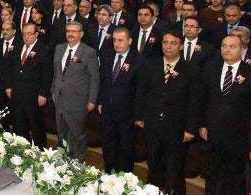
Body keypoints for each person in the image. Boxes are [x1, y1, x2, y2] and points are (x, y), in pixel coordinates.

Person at [135, 30, 200, 194]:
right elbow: (141, 92)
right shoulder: (151, 65)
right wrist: (139, 116)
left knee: (174, 168)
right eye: (165, 42)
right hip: (153, 123)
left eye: (173, 43)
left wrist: (190, 128)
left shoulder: (191, 70)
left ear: (181, 46)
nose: (168, 46)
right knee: (153, 163)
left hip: (177, 127)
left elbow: (195, 102)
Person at [200, 35, 251, 194]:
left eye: (232, 46)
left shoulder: (249, 72)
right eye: (224, 46)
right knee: (212, 173)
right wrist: (202, 124)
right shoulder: (210, 68)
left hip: (239, 136)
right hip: (213, 133)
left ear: (242, 49)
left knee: (235, 177)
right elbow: (203, 99)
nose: (227, 49)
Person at [51, 21, 100, 161]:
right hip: (59, 99)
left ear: (81, 34)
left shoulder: (89, 52)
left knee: (77, 135)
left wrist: (92, 100)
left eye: (74, 31)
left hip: (78, 101)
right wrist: (54, 90)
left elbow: (95, 78)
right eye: (68, 31)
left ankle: (78, 163)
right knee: (61, 133)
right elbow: (56, 73)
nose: (70, 34)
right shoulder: (59, 48)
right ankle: (63, 160)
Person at [98, 28, 144, 173]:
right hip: (108, 110)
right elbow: (103, 80)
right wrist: (101, 101)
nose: (117, 44)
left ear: (129, 41)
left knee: (125, 148)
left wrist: (138, 115)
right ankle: (108, 171)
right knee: (108, 144)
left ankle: (123, 177)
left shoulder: (139, 61)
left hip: (127, 114)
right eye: (114, 40)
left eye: (120, 40)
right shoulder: (107, 55)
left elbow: (140, 91)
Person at [6, 22, 52, 148]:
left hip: (34, 95)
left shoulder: (44, 50)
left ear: (36, 34)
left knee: (36, 126)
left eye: (30, 34)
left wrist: (43, 94)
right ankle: (21, 150)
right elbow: (10, 68)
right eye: (24, 34)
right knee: (19, 125)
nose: (26, 37)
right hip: (17, 93)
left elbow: (47, 75)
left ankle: (40, 151)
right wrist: (9, 86)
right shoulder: (17, 47)